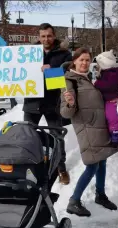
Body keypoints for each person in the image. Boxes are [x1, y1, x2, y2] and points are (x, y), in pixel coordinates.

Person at [60, 48, 118, 217]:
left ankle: (100, 195)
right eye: (81, 60)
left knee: (102, 161)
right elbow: (65, 112)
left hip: (99, 126)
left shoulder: (88, 78)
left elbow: (101, 96)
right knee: (92, 165)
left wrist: (114, 99)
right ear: (74, 61)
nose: (85, 63)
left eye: (87, 60)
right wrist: (70, 103)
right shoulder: (69, 80)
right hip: (87, 128)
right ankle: (74, 201)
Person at [23, 23, 72, 185]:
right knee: (28, 137)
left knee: (57, 137)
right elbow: (10, 72)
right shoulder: (28, 54)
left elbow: (67, 75)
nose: (46, 39)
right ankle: (28, 167)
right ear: (38, 37)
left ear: (54, 36)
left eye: (49, 36)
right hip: (32, 102)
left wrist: (51, 70)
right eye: (43, 36)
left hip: (53, 102)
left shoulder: (64, 54)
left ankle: (61, 168)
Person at [93, 50, 118, 146]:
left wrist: (97, 84)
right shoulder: (104, 72)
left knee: (111, 116)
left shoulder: (111, 73)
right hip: (104, 99)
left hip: (109, 99)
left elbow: (109, 85)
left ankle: (114, 133)